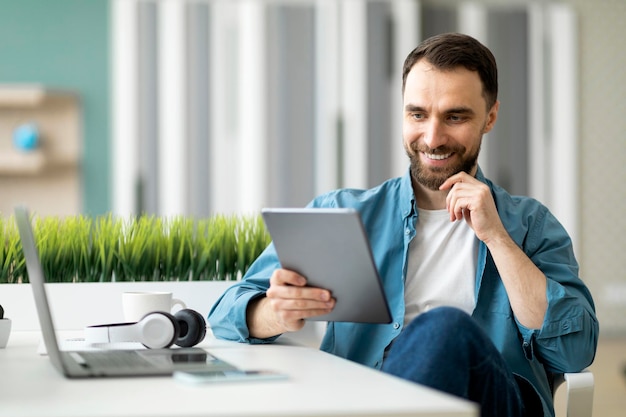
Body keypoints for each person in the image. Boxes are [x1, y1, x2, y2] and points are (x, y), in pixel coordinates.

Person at [208, 32, 598, 417]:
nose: (432, 137)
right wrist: (279, 312)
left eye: (455, 116)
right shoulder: (343, 213)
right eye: (417, 114)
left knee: (443, 329)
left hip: (491, 403)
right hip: (362, 401)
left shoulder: (531, 225)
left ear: (490, 117)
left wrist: (496, 237)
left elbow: (574, 351)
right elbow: (225, 313)